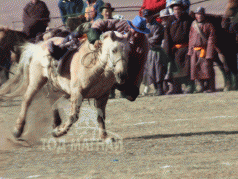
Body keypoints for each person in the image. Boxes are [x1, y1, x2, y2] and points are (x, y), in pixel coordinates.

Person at [163, 0, 194, 94]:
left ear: (182, 9)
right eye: (175, 9)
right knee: (175, 70)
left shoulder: (188, 19)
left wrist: (191, 49)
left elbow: (192, 35)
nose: (177, 11)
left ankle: (190, 86)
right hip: (175, 50)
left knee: (187, 69)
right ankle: (176, 88)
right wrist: (167, 52)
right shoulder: (170, 20)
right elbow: (167, 37)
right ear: (173, 10)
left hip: (186, 48)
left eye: (178, 9)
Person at [187, 7, 217, 93]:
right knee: (196, 70)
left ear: (203, 15)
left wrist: (209, 54)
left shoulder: (209, 25)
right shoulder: (193, 25)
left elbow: (211, 40)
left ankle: (210, 87)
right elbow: (190, 38)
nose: (199, 16)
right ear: (195, 15)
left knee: (207, 69)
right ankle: (201, 87)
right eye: (197, 14)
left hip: (205, 50)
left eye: (200, 14)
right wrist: (190, 50)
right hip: (195, 51)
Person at [142, 9, 169, 96]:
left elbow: (156, 38)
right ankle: (155, 89)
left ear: (151, 16)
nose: (146, 18)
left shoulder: (157, 26)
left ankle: (160, 89)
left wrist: (145, 41)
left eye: (148, 16)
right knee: (150, 71)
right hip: (148, 51)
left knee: (158, 70)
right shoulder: (143, 26)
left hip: (156, 51)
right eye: (145, 17)